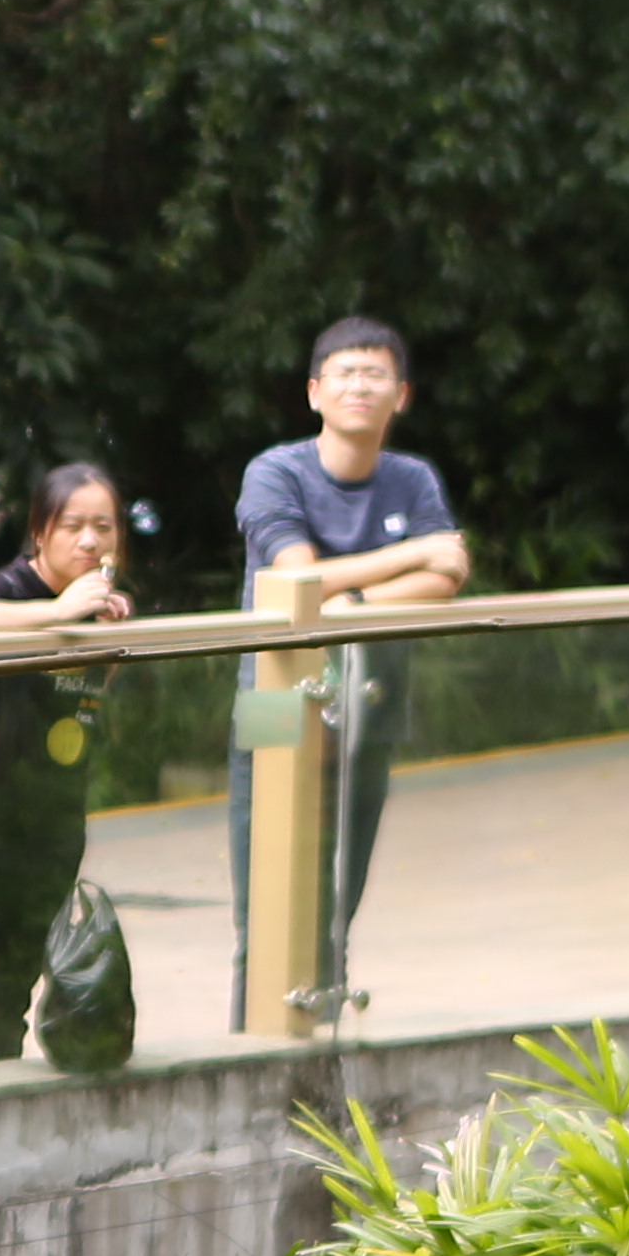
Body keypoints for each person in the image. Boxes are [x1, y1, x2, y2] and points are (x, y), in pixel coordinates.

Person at [232, 317, 468, 969]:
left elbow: (447, 577)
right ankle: (258, 1028)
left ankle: (321, 1022)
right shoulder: (275, 472)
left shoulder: (413, 479)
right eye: (344, 373)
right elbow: (297, 577)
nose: (359, 386)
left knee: (337, 908)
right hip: (274, 702)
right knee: (266, 911)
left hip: (372, 699)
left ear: (402, 395)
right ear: (315, 392)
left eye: (375, 374)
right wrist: (411, 554)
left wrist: (351, 606)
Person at [0, 464, 136, 1071]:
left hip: (54, 821)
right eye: (73, 526)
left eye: (104, 527)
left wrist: (103, 636)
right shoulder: (14, 587)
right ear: (40, 532)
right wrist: (59, 611)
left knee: (13, 989)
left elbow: (86, 697)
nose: (89, 541)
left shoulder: (100, 604)